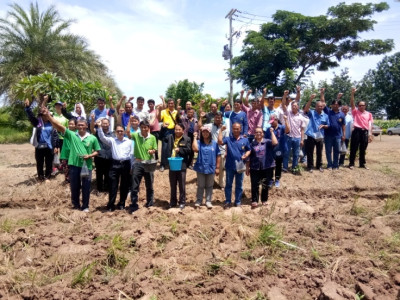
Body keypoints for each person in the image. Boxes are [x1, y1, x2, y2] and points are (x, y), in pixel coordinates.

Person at [44, 107, 100, 212]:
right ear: (76, 126)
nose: (81, 127)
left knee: (86, 187)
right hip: (74, 165)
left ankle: (85, 206)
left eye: (83, 125)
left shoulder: (92, 138)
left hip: (87, 166)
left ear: (86, 126)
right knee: (74, 186)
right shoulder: (72, 135)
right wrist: (49, 116)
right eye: (79, 125)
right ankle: (75, 205)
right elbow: (59, 126)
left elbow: (97, 151)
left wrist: (90, 156)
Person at [97, 124, 133, 211]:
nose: (120, 132)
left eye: (121, 131)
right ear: (115, 132)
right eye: (118, 131)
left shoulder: (129, 141)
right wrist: (99, 128)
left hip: (126, 164)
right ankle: (111, 205)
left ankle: (121, 203)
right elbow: (102, 138)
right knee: (113, 185)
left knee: (124, 185)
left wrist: (132, 167)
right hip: (114, 164)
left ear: (124, 132)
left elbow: (132, 155)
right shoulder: (112, 140)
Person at [25, 99, 59, 182]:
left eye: (47, 113)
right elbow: (31, 116)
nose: (45, 115)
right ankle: (40, 177)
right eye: (43, 114)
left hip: (49, 146)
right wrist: (27, 108)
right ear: (41, 115)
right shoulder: (38, 123)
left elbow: (55, 135)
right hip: (39, 146)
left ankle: (47, 177)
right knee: (39, 162)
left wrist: (56, 146)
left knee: (49, 162)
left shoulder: (52, 124)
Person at [218, 123, 251, 208]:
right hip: (230, 166)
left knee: (239, 185)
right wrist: (221, 131)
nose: (235, 130)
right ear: (232, 129)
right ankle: (228, 201)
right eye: (234, 128)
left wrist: (246, 155)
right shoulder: (228, 139)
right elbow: (220, 142)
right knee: (228, 184)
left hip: (240, 166)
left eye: (237, 128)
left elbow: (249, 150)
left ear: (240, 129)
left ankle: (238, 201)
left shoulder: (245, 140)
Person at [129, 120, 158, 214]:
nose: (143, 129)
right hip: (138, 162)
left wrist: (152, 151)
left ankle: (150, 203)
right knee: (134, 185)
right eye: (142, 127)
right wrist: (130, 122)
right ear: (140, 127)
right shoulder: (136, 135)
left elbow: (155, 148)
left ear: (148, 128)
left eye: (145, 127)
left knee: (149, 185)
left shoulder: (152, 137)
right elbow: (128, 133)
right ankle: (134, 204)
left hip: (148, 163)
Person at [246, 127, 278, 207]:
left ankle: (264, 200)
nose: (258, 133)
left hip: (267, 166)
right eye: (256, 132)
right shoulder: (252, 144)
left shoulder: (267, 142)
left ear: (263, 133)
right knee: (254, 184)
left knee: (265, 184)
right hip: (254, 167)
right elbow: (249, 157)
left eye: (260, 132)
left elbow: (275, 143)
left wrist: (272, 132)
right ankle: (254, 200)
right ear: (254, 134)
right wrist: (247, 168)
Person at [192, 125, 221, 209]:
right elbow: (195, 149)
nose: (205, 133)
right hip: (201, 167)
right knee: (200, 185)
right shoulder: (199, 142)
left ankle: (208, 201)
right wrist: (194, 138)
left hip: (211, 167)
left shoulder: (214, 143)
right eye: (203, 132)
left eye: (206, 132)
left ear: (209, 133)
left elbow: (218, 155)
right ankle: (199, 200)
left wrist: (218, 167)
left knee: (209, 185)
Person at [164, 123, 191, 209]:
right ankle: (173, 202)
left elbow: (189, 150)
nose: (177, 131)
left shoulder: (187, 139)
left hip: (181, 165)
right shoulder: (170, 137)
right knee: (173, 184)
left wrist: (180, 150)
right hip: (172, 164)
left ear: (183, 130)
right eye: (176, 129)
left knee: (182, 185)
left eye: (179, 129)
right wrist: (163, 128)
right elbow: (161, 137)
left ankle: (182, 202)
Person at [199, 112, 228, 188]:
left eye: (219, 117)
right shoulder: (209, 126)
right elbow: (200, 127)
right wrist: (201, 118)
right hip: (211, 150)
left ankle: (221, 184)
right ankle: (211, 183)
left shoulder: (225, 128)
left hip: (221, 151)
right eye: (216, 117)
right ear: (214, 118)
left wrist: (226, 151)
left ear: (221, 118)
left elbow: (227, 141)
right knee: (210, 167)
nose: (217, 119)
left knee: (221, 169)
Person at [303, 91, 330, 172]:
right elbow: (306, 109)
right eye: (318, 106)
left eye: (321, 106)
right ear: (315, 106)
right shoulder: (312, 113)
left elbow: (328, 125)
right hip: (311, 135)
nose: (320, 108)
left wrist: (324, 126)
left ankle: (319, 166)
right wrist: (310, 99)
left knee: (319, 152)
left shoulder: (325, 116)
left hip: (320, 136)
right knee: (310, 152)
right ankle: (310, 166)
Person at [320, 89, 346, 170]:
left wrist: (344, 135)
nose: (335, 105)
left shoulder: (342, 114)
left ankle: (335, 165)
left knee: (337, 151)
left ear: (339, 106)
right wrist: (322, 93)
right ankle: (329, 165)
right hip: (328, 135)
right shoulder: (328, 112)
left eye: (337, 104)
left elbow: (343, 125)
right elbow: (323, 102)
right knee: (328, 151)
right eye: (334, 104)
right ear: (331, 105)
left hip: (338, 136)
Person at [349, 87, 373, 169]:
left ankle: (362, 164)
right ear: (358, 106)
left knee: (363, 148)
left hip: (364, 132)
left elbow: (370, 124)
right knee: (354, 148)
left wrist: (370, 134)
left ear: (365, 106)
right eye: (359, 105)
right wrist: (352, 93)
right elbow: (352, 103)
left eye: (363, 105)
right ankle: (351, 163)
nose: (361, 106)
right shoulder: (355, 112)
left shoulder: (369, 114)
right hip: (357, 131)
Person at [281, 90, 306, 173]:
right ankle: (285, 167)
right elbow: (283, 105)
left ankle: (294, 167)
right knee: (286, 153)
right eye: (292, 106)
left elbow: (302, 129)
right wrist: (284, 95)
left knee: (296, 154)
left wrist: (302, 139)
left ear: (298, 107)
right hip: (288, 136)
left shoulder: (301, 117)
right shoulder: (288, 113)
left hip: (297, 138)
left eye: (295, 106)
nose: (293, 107)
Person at [265, 115, 290, 188]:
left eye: (273, 122)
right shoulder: (268, 129)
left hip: (280, 149)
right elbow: (266, 139)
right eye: (271, 122)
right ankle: (270, 179)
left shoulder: (281, 127)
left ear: (276, 120)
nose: (271, 124)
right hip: (271, 150)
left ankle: (277, 179)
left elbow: (288, 130)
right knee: (270, 166)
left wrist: (286, 120)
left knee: (278, 165)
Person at [90, 117, 113, 192]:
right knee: (99, 174)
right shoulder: (97, 132)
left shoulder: (112, 134)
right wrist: (93, 120)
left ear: (109, 124)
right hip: (99, 156)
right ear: (101, 124)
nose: (105, 125)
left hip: (109, 157)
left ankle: (106, 189)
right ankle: (99, 189)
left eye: (106, 123)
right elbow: (91, 129)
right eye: (103, 123)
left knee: (108, 174)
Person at [159, 98, 179, 172]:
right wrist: (163, 124)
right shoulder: (164, 111)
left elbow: (178, 121)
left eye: (172, 103)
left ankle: (170, 163)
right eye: (169, 103)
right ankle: (162, 165)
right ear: (167, 104)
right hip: (166, 131)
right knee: (164, 148)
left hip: (174, 131)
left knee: (172, 147)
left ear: (174, 104)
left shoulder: (176, 112)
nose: (170, 104)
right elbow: (159, 119)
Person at [60, 118, 77, 183]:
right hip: (66, 153)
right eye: (69, 124)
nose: (70, 125)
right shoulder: (65, 131)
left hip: (74, 153)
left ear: (75, 125)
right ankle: (67, 180)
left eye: (72, 124)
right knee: (66, 168)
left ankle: (74, 179)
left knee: (74, 167)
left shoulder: (78, 133)